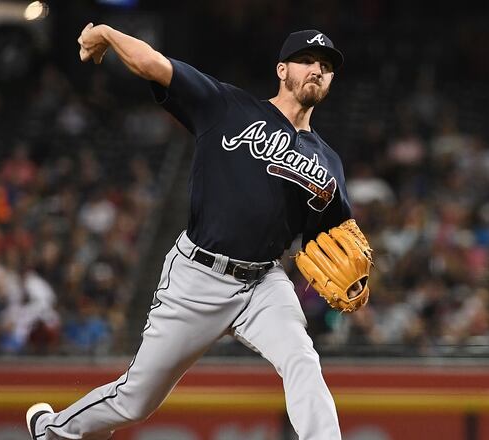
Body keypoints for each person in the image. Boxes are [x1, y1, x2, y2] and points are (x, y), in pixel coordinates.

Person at [26, 23, 363, 440]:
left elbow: (334, 240)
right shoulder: (228, 107)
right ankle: (53, 430)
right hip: (198, 276)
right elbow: (153, 64)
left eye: (326, 65)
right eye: (307, 60)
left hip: (263, 283)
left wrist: (356, 276)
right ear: (282, 69)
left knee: (302, 360)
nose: (317, 69)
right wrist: (109, 34)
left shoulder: (328, 163)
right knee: (137, 399)